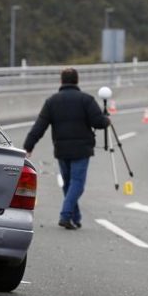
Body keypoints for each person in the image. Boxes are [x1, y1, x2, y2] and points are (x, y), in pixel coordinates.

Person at [23, 68, 110, 230]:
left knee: (69, 184)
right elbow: (99, 123)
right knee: (77, 183)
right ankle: (65, 214)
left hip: (61, 149)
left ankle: (75, 218)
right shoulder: (87, 100)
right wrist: (106, 120)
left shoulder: (52, 101)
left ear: (61, 81)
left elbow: (39, 126)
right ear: (77, 81)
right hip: (81, 150)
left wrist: (29, 146)